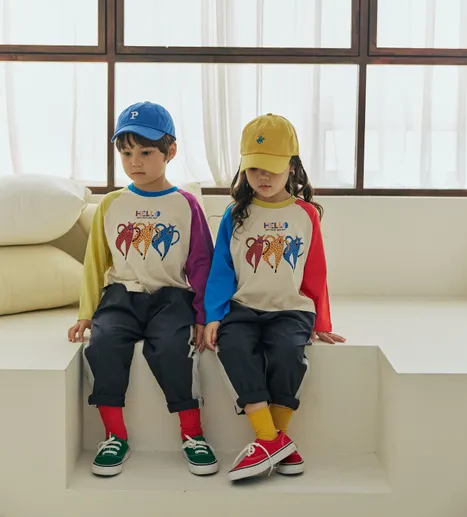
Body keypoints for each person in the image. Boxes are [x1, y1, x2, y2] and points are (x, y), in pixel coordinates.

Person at [68, 101, 218, 478]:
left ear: (171, 151)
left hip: (171, 298)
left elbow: (202, 264)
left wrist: (204, 316)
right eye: (126, 153)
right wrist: (86, 313)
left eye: (146, 152)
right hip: (120, 297)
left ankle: (192, 433)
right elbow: (95, 262)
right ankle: (114, 436)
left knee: (172, 348)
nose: (135, 162)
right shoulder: (111, 204)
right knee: (102, 345)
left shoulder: (185, 205)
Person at [204, 113, 345, 482]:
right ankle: (272, 439)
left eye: (272, 168)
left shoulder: (306, 214)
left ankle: (270, 439)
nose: (262, 177)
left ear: (292, 166)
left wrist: (321, 321)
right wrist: (214, 314)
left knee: (287, 354)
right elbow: (221, 269)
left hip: (291, 310)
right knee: (234, 348)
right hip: (243, 308)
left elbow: (315, 271)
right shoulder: (236, 214)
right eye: (254, 169)